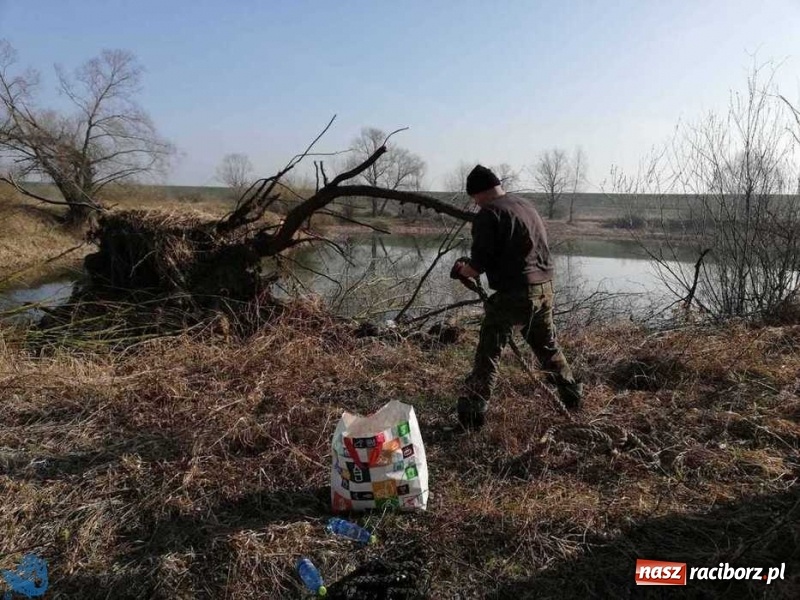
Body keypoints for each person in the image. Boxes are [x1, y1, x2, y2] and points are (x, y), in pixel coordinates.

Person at [452, 164, 582, 429]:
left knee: (488, 354)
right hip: (544, 288)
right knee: (547, 347)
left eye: (474, 198)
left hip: (515, 294)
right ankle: (573, 398)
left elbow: (477, 266)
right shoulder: (524, 205)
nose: (475, 204)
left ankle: (471, 418)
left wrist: (460, 271)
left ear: (479, 193)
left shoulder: (489, 214)